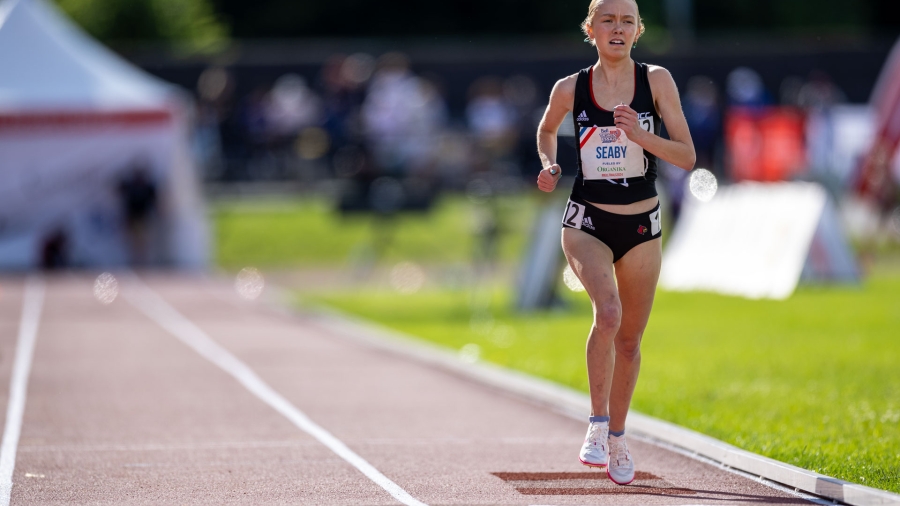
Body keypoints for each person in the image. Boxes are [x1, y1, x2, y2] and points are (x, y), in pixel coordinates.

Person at [535, 0, 695, 485]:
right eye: (609, 20)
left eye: (628, 21)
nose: (618, 28)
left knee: (629, 341)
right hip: (587, 221)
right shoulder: (571, 88)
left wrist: (641, 136)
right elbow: (546, 129)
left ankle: (620, 437)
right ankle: (596, 423)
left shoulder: (657, 81)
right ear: (592, 30)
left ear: (639, 30)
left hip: (641, 224)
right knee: (608, 313)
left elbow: (687, 157)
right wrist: (547, 163)